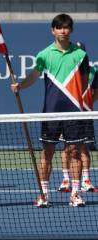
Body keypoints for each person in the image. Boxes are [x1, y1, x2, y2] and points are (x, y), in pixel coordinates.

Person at [11, 14, 89, 207]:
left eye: (66, 28)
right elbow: (34, 75)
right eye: (59, 28)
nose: (63, 31)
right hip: (50, 112)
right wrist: (20, 86)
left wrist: (74, 97)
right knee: (47, 153)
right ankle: (44, 194)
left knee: (75, 153)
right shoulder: (44, 54)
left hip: (74, 111)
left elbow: (85, 81)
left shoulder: (81, 55)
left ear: (71, 30)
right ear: (53, 30)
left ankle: (76, 193)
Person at [58, 41, 96, 194]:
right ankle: (66, 179)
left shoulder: (93, 70)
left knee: (84, 148)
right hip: (67, 113)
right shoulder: (66, 70)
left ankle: (86, 180)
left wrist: (88, 104)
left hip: (85, 114)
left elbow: (96, 90)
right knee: (67, 148)